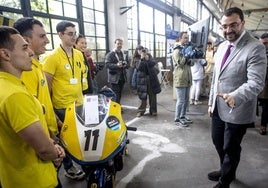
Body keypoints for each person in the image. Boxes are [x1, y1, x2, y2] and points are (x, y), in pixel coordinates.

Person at [208, 7, 267, 188]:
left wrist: (235, 96)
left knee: (230, 147)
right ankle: (225, 168)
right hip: (218, 105)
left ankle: (225, 180)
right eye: (224, 26)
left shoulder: (255, 47)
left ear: (242, 23)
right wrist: (211, 103)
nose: (228, 30)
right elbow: (215, 79)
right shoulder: (223, 46)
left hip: (238, 107)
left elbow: (256, 82)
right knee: (217, 140)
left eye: (233, 25)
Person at [0, 26, 65, 188]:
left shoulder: (6, 86)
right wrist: (54, 153)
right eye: (24, 47)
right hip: (36, 180)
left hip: (14, 178)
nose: (29, 52)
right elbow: (44, 149)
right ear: (5, 54)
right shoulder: (15, 95)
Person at [43, 21, 85, 180]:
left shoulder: (79, 54)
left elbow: (80, 79)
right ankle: (69, 168)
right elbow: (46, 87)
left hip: (79, 104)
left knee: (81, 137)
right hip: (62, 106)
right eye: (70, 33)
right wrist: (50, 111)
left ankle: (82, 162)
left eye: (75, 33)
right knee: (65, 141)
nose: (74, 36)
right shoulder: (52, 57)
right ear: (60, 35)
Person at [172, 32, 194, 127]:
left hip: (187, 77)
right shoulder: (177, 51)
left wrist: (191, 57)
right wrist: (186, 55)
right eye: (185, 38)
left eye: (187, 38)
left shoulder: (185, 49)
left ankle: (183, 116)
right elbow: (180, 63)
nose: (186, 40)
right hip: (180, 78)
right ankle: (177, 119)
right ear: (180, 39)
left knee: (186, 100)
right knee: (181, 100)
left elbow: (191, 64)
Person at [136, 46, 161, 117]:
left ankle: (153, 110)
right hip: (141, 79)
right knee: (142, 96)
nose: (141, 51)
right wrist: (142, 59)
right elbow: (139, 67)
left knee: (152, 95)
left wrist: (147, 59)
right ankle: (141, 111)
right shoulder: (136, 58)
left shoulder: (149, 56)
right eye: (139, 50)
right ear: (137, 51)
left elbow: (153, 63)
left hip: (151, 78)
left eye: (142, 50)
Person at [105, 38, 128, 104]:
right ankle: (115, 109)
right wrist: (116, 65)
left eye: (121, 44)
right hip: (114, 78)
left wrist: (125, 65)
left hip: (122, 77)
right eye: (118, 43)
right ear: (115, 44)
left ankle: (117, 106)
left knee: (119, 93)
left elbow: (128, 63)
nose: (119, 45)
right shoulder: (110, 54)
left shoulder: (123, 54)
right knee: (115, 94)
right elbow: (107, 65)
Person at [258, 33, 268, 135]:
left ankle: (263, 125)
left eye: (265, 43)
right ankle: (263, 125)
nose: (263, 46)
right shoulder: (258, 53)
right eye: (261, 43)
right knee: (265, 106)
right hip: (262, 83)